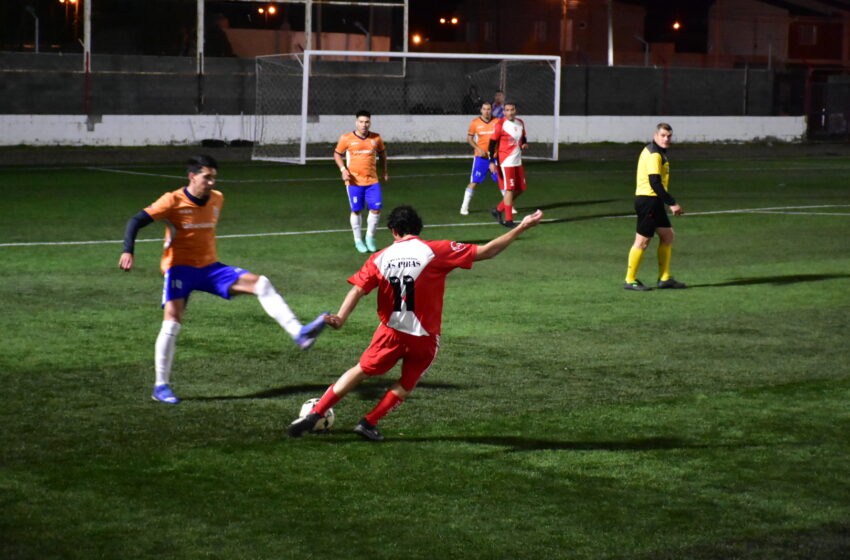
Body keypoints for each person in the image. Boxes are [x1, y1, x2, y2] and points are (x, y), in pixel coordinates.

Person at [288, 205, 544, 441]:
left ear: (393, 230)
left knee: (360, 371)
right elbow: (489, 251)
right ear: (418, 229)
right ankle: (369, 422)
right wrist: (522, 226)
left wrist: (341, 318)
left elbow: (357, 290)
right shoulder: (436, 250)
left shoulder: (379, 258)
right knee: (407, 382)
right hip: (424, 337)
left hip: (391, 332)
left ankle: (317, 412)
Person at [119, 155, 329, 404]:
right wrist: (127, 249)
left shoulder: (217, 199)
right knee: (172, 323)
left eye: (213, 178)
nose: (211, 183)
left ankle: (300, 334)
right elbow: (136, 220)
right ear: (192, 176)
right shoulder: (172, 200)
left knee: (262, 283)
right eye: (206, 177)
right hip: (179, 270)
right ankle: (161, 386)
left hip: (210, 269)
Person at [623, 122, 686, 291]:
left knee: (668, 236)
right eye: (663, 136)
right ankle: (630, 280)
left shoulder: (658, 152)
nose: (666, 139)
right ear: (655, 136)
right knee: (642, 242)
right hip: (648, 201)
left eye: (669, 136)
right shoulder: (654, 155)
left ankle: (665, 278)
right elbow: (654, 183)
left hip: (655, 201)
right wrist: (672, 203)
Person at [334, 110, 388, 254]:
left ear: (370, 122)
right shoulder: (346, 138)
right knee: (356, 210)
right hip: (354, 182)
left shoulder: (376, 138)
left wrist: (384, 172)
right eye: (361, 122)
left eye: (367, 122)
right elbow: (337, 154)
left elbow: (383, 155)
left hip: (372, 180)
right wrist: (343, 170)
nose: (364, 125)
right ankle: (358, 240)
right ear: (356, 122)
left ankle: (370, 238)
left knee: (376, 209)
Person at [488, 102, 528, 229]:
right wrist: (491, 161)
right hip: (506, 162)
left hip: (518, 161)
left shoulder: (520, 122)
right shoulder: (500, 124)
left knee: (520, 189)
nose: (510, 112)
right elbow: (492, 143)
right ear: (504, 112)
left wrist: (523, 144)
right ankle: (509, 220)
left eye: (512, 110)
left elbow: (523, 138)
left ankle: (498, 209)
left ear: (515, 110)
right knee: (509, 189)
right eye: (507, 110)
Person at [459, 102, 500, 215]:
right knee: (474, 181)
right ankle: (464, 207)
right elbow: (469, 139)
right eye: (484, 109)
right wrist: (478, 148)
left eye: (489, 109)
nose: (487, 111)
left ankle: (509, 206)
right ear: (481, 110)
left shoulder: (497, 122)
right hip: (480, 158)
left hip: (495, 157)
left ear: (491, 110)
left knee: (502, 181)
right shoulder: (475, 123)